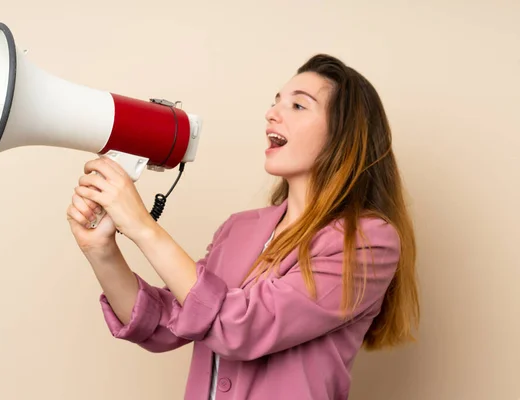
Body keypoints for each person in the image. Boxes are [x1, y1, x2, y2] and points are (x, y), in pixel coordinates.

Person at [66, 53, 420, 400]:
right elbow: (164, 324)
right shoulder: (240, 229)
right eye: (275, 102)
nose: (272, 113)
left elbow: (242, 327)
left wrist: (143, 226)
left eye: (298, 106)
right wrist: (101, 250)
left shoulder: (367, 242)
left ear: (344, 135)